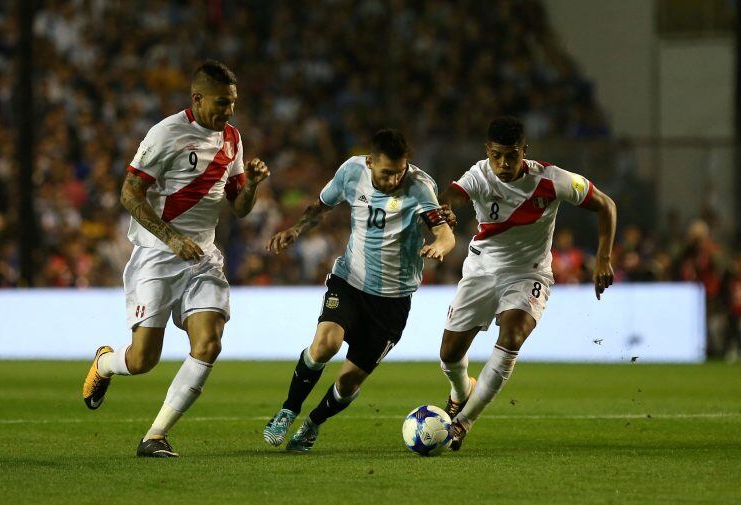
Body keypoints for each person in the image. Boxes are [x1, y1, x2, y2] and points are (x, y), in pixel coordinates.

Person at [81, 60, 270, 458]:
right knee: (142, 359)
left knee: (209, 343)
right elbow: (129, 194)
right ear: (197, 99)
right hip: (156, 256)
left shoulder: (232, 138)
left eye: (233, 103)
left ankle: (155, 435)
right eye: (221, 103)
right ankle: (106, 364)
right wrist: (170, 237)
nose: (228, 112)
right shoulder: (166, 133)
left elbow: (238, 208)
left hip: (203, 257)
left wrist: (250, 186)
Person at [262, 129, 455, 452]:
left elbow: (444, 231)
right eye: (386, 173)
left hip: (393, 301)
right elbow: (321, 207)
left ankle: (313, 424)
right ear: (370, 162)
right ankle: (288, 410)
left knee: (348, 381)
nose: (394, 179)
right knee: (325, 344)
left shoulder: (421, 186)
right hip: (350, 281)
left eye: (399, 172)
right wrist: (295, 230)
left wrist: (441, 246)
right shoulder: (352, 171)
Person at [437, 116, 616, 450]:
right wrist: (445, 209)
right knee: (448, 355)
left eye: (512, 155)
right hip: (480, 271)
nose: (504, 164)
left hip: (528, 274)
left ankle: (462, 423)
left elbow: (606, 205)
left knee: (513, 336)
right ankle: (461, 391)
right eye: (497, 156)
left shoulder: (552, 179)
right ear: (487, 152)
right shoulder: (479, 175)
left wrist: (603, 258)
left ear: (525, 151)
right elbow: (450, 196)